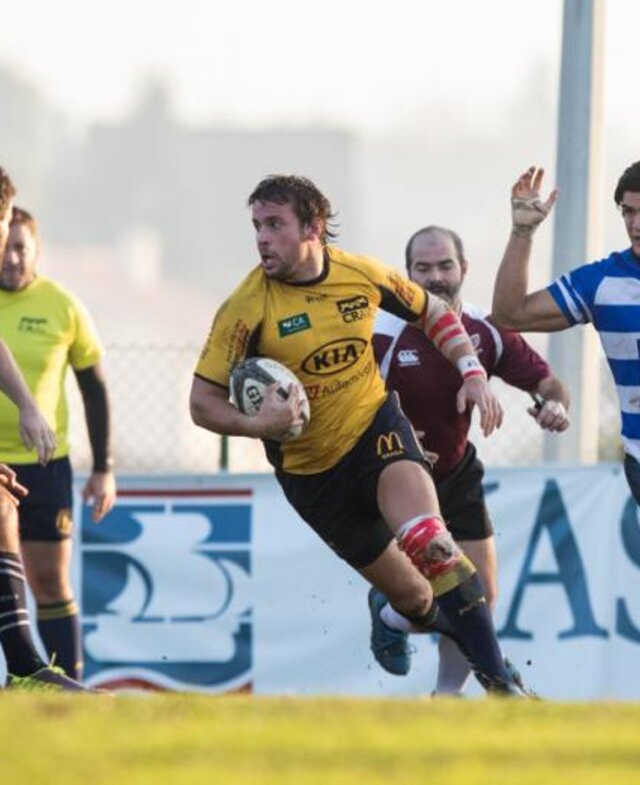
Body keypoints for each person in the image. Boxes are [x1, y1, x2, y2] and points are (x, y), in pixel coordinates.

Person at [190, 173, 531, 696]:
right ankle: (396, 617)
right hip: (313, 477)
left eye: (275, 225)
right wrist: (257, 425)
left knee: (434, 545)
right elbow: (202, 403)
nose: (262, 238)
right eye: (257, 226)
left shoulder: (360, 274)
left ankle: (502, 688)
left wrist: (471, 369)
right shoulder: (246, 308)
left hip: (376, 433)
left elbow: (432, 310)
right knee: (417, 600)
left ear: (313, 227)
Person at [369, 225, 570, 695]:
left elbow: (548, 383)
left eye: (445, 266)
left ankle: (447, 699)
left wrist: (554, 406)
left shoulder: (486, 330)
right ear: (407, 274)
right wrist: (396, 437)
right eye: (423, 268)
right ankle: (389, 614)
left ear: (463, 268)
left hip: (456, 473)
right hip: (394, 477)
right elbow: (346, 406)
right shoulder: (382, 333)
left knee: (480, 596)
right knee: (423, 596)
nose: (435, 277)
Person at [0, 206, 116, 682]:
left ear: (37, 251)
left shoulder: (63, 307)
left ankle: (66, 684)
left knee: (48, 579)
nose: (10, 257)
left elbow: (94, 389)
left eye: (20, 248)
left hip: (44, 468)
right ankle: (23, 676)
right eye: (5, 246)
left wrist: (103, 467)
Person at [491, 163, 640, 506]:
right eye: (628, 212)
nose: (636, 225)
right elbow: (509, 314)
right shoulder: (600, 282)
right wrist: (522, 231)